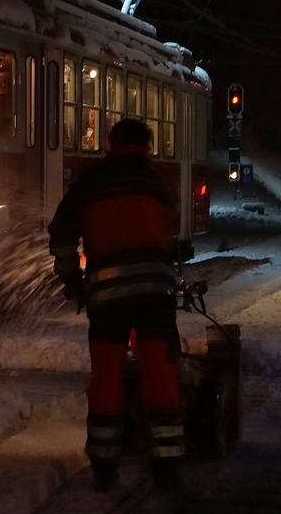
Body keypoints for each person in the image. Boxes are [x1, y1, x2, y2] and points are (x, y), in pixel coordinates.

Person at [48, 117, 184, 491]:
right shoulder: (159, 182)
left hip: (107, 298)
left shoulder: (90, 180)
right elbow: (171, 236)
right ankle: (167, 466)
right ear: (147, 147)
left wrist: (71, 280)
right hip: (156, 296)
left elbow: (60, 235)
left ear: (112, 142)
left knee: (107, 376)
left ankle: (105, 467)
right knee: (159, 372)